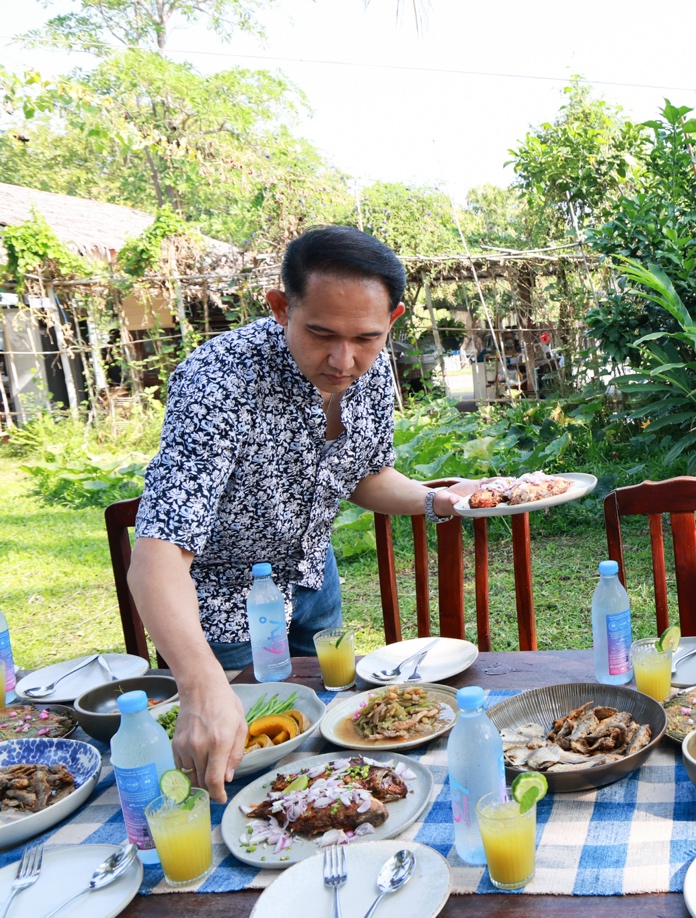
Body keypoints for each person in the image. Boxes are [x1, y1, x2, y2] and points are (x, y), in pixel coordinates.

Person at [127, 226, 477, 802]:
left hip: (314, 576)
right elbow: (158, 553)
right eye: (320, 334)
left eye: (366, 337)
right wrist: (199, 683)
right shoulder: (219, 380)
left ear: (392, 318)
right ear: (281, 307)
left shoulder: (371, 370)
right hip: (221, 606)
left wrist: (440, 500)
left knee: (329, 736)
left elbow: (363, 475)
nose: (343, 360)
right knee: (240, 764)